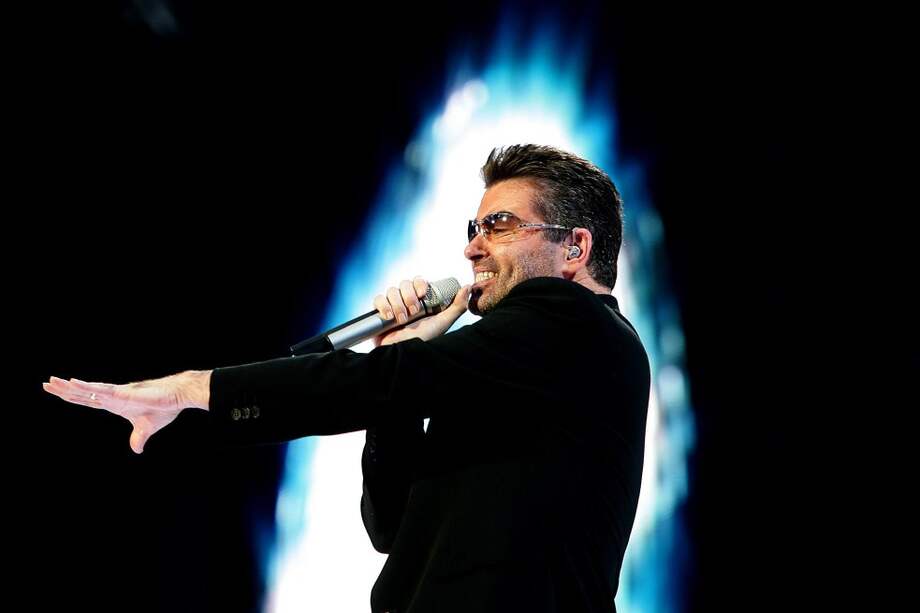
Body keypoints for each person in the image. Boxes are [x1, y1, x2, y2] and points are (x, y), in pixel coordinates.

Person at [44, 144, 651, 613]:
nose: (472, 249)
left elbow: (377, 384)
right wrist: (402, 350)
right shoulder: (516, 369)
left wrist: (194, 389)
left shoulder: (573, 326)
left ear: (574, 248)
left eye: (499, 225)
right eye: (473, 229)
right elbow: (391, 526)